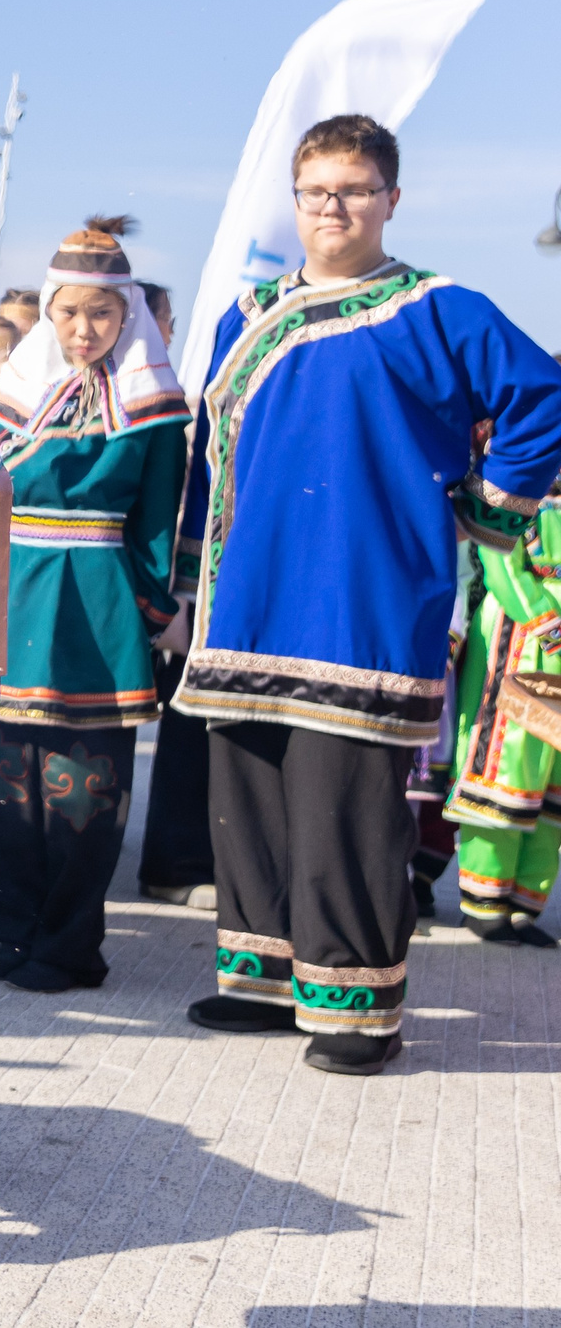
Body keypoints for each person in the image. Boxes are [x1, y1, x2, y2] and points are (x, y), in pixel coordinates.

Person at [174, 114, 561, 1074]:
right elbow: (210, 452)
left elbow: (542, 396)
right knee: (252, 795)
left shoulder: (438, 309)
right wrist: (188, 578)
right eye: (316, 191)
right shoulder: (248, 311)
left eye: (354, 189)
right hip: (250, 594)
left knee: (344, 808)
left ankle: (355, 1010)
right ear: (296, 201)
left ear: (392, 198)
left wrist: (490, 507)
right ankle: (264, 978)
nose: (333, 207)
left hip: (368, 596)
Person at [0, 216, 188, 992]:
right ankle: (15, 930)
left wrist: (147, 607)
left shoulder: (156, 407)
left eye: (101, 312)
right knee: (3, 788)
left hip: (96, 608)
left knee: (82, 792)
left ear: (126, 314)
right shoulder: (9, 399)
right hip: (13, 596)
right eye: (68, 311)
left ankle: (68, 945)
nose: (83, 328)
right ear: (51, 312)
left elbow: (160, 518)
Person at [131, 281, 215, 910]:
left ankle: (182, 858)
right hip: (146, 586)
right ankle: (170, 860)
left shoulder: (179, 403)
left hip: (189, 584)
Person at [442, 504, 561, 945]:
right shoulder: (521, 478)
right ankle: (485, 902)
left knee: (552, 782)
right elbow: (499, 561)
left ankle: (525, 905)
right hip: (522, 635)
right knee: (506, 766)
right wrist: (551, 629)